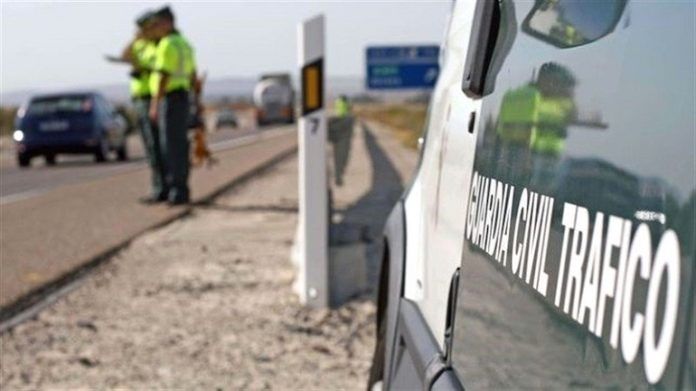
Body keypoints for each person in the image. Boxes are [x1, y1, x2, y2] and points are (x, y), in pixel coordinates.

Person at [148, 6, 199, 205]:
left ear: (168, 22)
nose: (156, 28)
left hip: (170, 99)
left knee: (170, 147)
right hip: (183, 98)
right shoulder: (184, 44)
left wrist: (155, 104)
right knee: (180, 145)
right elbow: (194, 75)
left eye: (158, 24)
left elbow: (163, 75)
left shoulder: (167, 44)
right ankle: (181, 188)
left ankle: (177, 191)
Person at [330, 95, 354, 186]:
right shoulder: (345, 103)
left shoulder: (338, 102)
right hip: (343, 125)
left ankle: (338, 176)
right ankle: (338, 176)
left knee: (338, 156)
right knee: (342, 156)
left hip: (338, 124)